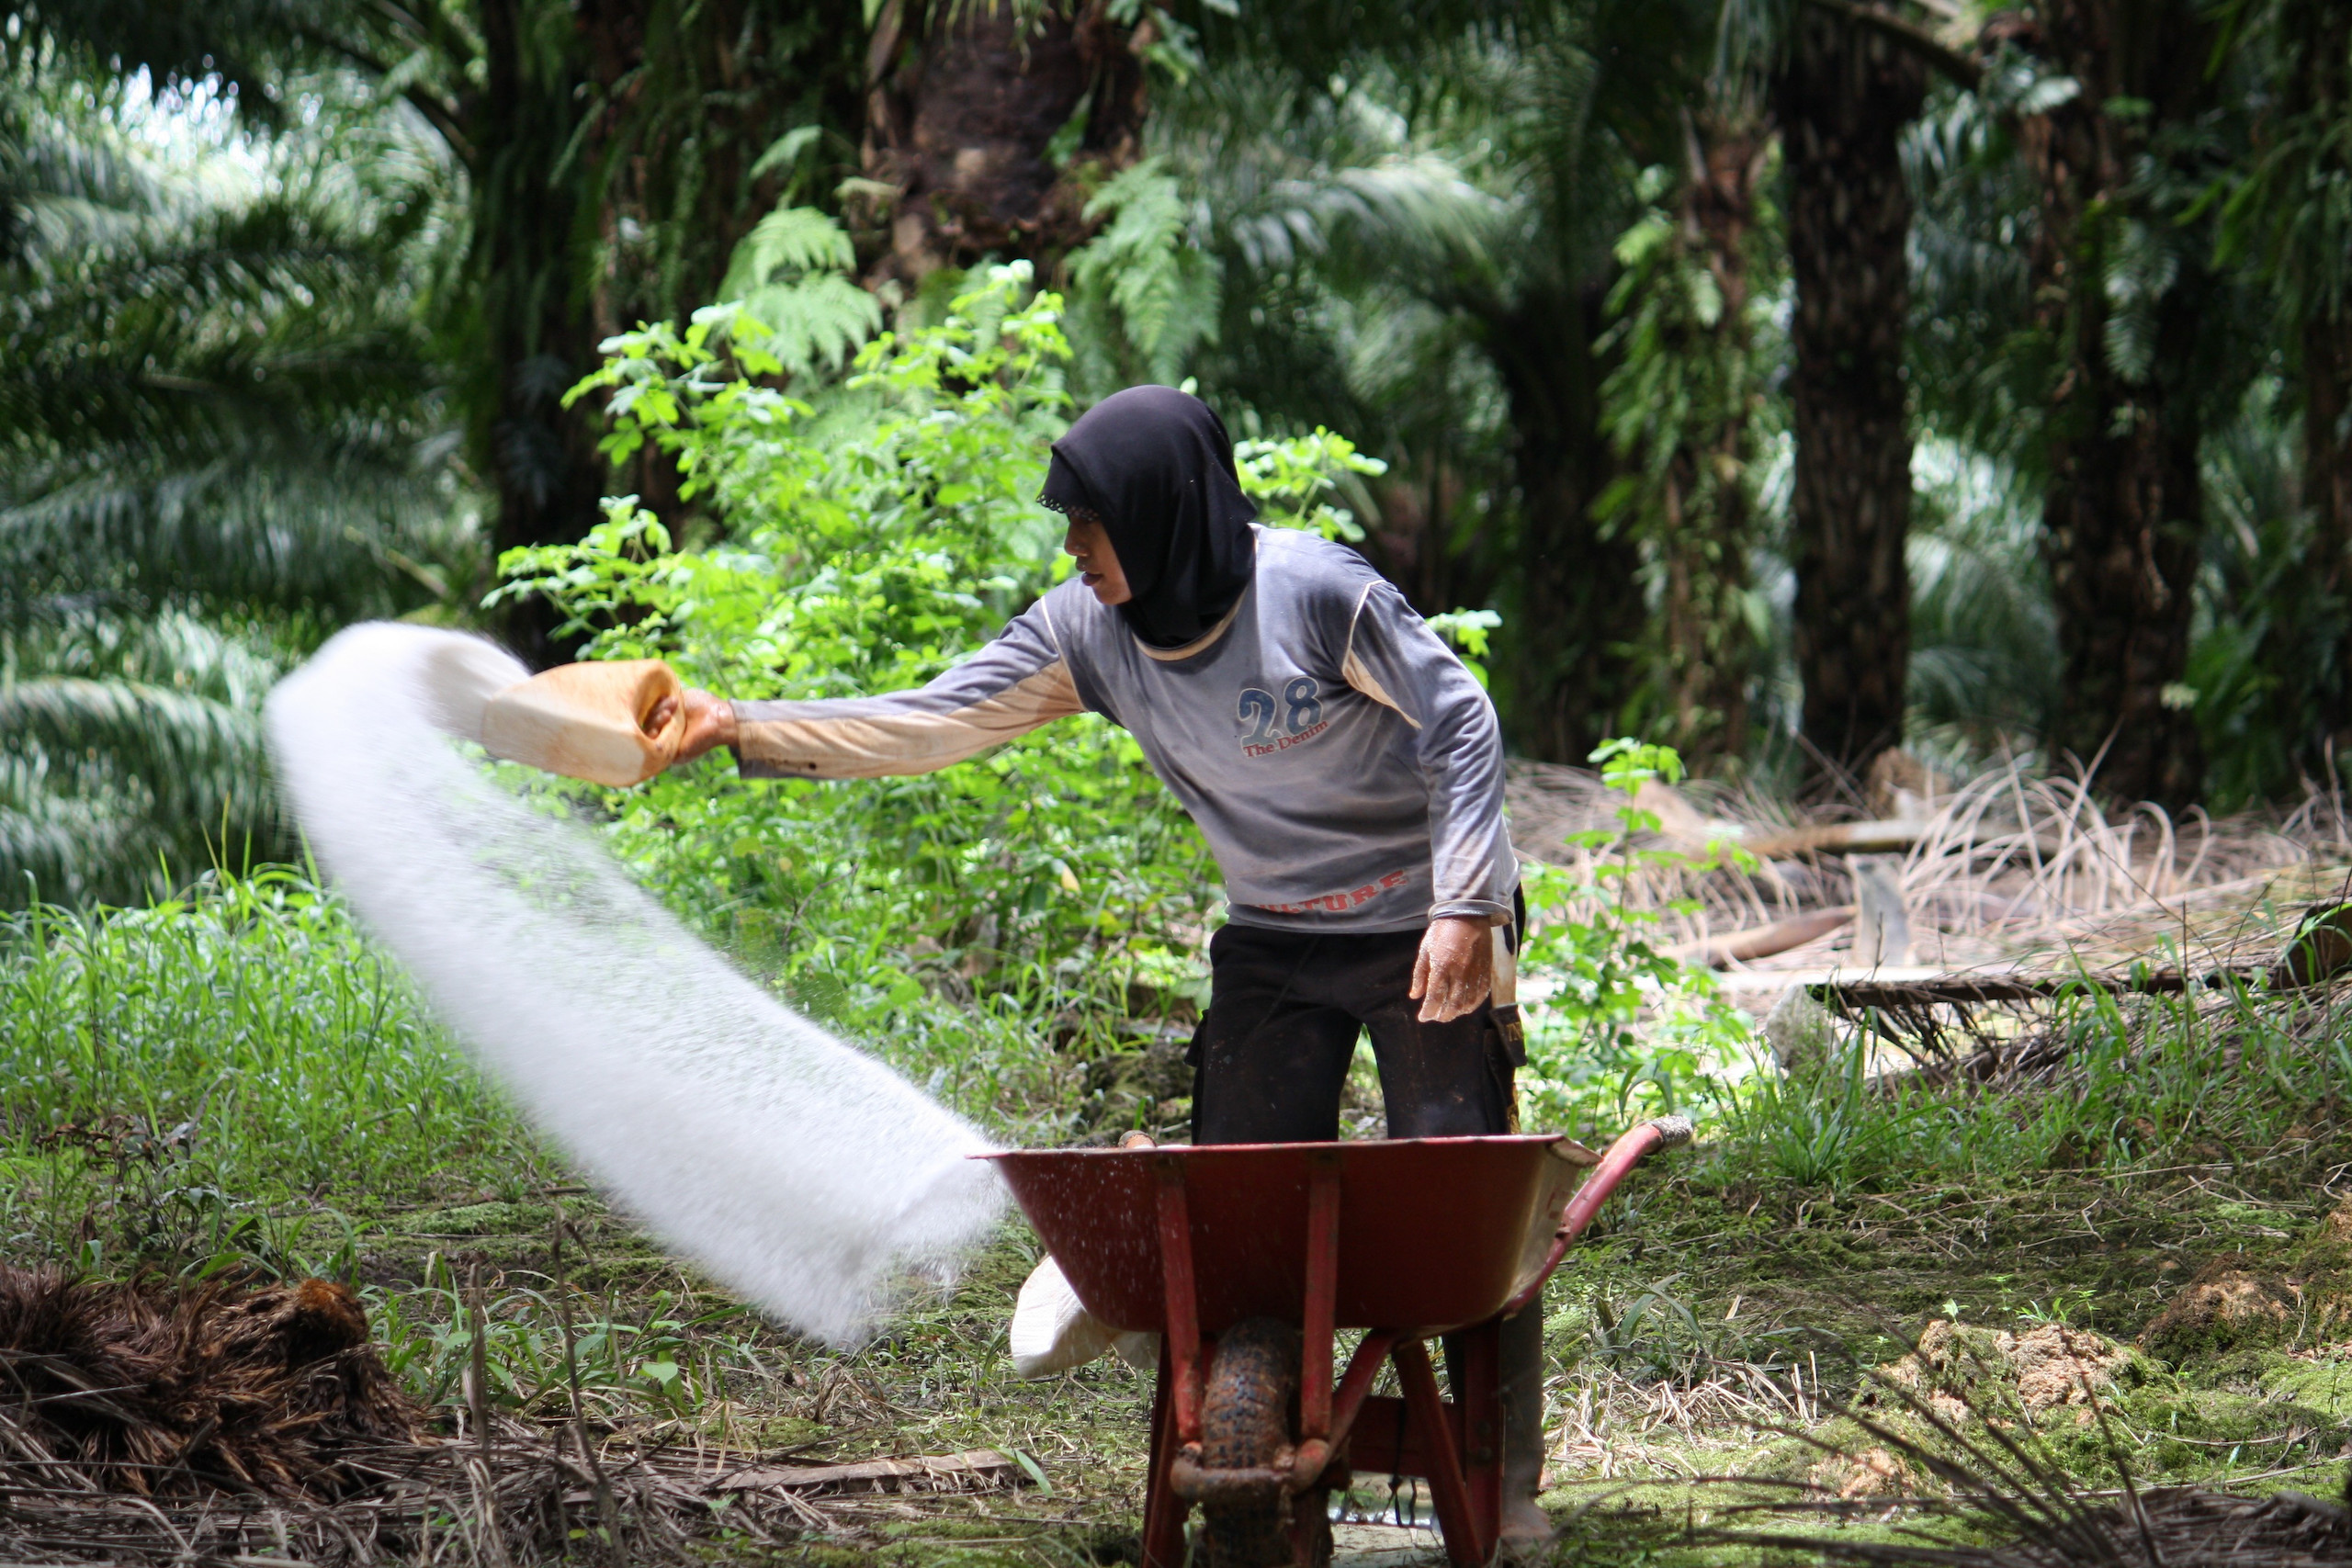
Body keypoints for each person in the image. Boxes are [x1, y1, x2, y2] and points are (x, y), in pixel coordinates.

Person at [653, 383, 1548, 1541]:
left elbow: (1460, 717)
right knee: (1246, 1219)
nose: (1072, 548)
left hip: (1428, 919)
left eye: (1091, 521)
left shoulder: (1316, 595)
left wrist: (1468, 905)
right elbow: (936, 719)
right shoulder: (1086, 633)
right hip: (1276, 936)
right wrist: (740, 724)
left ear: (1165, 510)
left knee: (1454, 1189)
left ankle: (1503, 1481)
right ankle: (1274, 1464)